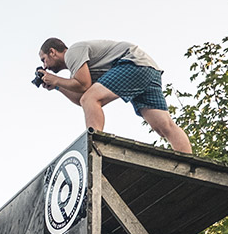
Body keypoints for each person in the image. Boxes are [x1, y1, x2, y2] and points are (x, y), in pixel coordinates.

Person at [36, 38, 192, 154]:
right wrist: (57, 86)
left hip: (131, 63)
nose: (45, 66)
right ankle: (188, 164)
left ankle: (95, 145)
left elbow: (84, 88)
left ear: (52, 51)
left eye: (44, 59)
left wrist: (56, 79)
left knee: (90, 98)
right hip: (147, 69)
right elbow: (81, 99)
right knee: (164, 126)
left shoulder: (72, 53)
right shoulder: (76, 70)